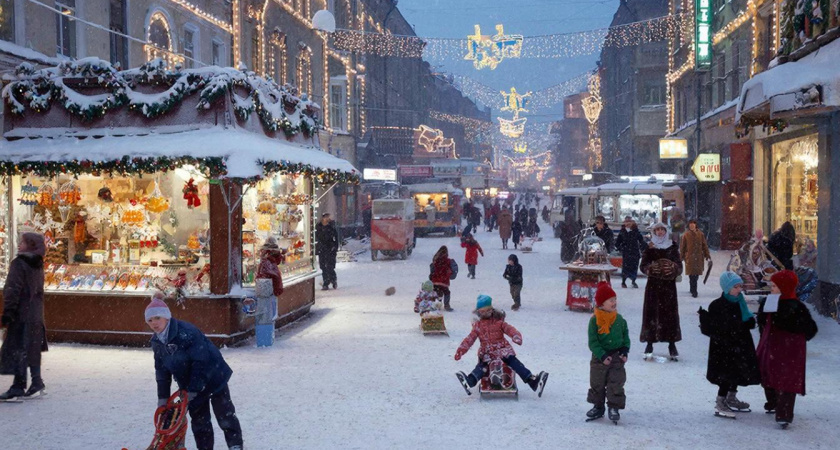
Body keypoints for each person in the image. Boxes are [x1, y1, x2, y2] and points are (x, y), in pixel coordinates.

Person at [146, 295, 243, 450]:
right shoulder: (157, 342)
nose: (154, 323)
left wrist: (193, 389)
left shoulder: (186, 332)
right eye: (150, 320)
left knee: (225, 415)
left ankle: (235, 446)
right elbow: (162, 371)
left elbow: (201, 361)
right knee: (200, 421)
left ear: (166, 317)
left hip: (214, 376)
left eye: (157, 318)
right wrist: (163, 398)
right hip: (189, 384)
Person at [756, 270, 818, 428]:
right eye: (772, 285)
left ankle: (784, 413)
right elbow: (763, 322)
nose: (772, 288)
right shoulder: (769, 302)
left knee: (787, 380)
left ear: (784, 287)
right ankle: (774, 403)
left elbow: (810, 328)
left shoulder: (796, 307)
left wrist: (789, 328)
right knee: (768, 373)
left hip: (790, 350)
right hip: (772, 346)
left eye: (775, 286)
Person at [454, 295, 549, 396]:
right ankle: (470, 381)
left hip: (503, 350)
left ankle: (532, 381)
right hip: (488, 352)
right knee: (482, 367)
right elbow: (470, 339)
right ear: (478, 312)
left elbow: (509, 329)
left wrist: (516, 336)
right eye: (483, 311)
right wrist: (461, 350)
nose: (486, 313)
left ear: (492, 310)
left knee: (515, 363)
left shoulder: (499, 322)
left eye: (488, 310)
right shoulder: (478, 326)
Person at [698, 272, 761, 418]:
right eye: (735, 287)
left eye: (740, 286)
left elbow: (749, 322)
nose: (739, 290)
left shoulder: (740, 302)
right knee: (726, 374)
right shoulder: (717, 305)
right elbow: (719, 327)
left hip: (741, 343)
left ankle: (731, 397)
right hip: (724, 346)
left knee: (739, 371)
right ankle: (720, 401)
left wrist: (749, 322)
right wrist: (736, 326)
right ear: (727, 288)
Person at [0, 232, 48, 401]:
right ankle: (36, 381)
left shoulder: (19, 264)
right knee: (32, 347)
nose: (19, 245)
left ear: (31, 245)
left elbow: (13, 289)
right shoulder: (38, 264)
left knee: (18, 348)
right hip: (35, 313)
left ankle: (18, 386)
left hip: (21, 312)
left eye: (23, 242)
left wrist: (8, 312)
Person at [586, 282, 630, 423]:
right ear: (601, 304)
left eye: (615, 299)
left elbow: (625, 337)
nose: (614, 302)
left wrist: (624, 351)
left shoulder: (620, 320)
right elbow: (593, 342)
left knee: (616, 382)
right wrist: (602, 355)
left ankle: (614, 407)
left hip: (617, 357)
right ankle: (598, 406)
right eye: (611, 300)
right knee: (597, 383)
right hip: (600, 358)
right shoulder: (594, 321)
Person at [640, 222, 682, 361]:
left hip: (668, 287)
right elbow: (643, 265)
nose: (659, 232)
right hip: (653, 287)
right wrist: (650, 268)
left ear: (666, 231)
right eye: (657, 230)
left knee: (669, 315)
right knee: (651, 315)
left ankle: (672, 344)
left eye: (662, 230)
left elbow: (679, 266)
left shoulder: (672, 247)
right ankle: (649, 343)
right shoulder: (650, 247)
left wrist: (673, 268)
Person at [680, 219, 711, 298]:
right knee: (691, 275)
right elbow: (683, 247)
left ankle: (693, 289)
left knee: (696, 275)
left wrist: (707, 255)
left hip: (698, 257)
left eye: (693, 224)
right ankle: (694, 290)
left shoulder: (701, 234)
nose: (692, 226)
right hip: (690, 258)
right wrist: (681, 256)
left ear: (696, 225)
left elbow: (704, 245)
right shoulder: (686, 235)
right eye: (690, 224)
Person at [615, 216, 646, 288]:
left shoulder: (636, 232)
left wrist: (644, 249)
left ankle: (633, 281)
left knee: (634, 267)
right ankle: (623, 281)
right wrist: (621, 248)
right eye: (626, 222)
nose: (628, 224)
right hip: (626, 253)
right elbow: (617, 243)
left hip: (635, 252)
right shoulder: (622, 232)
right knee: (625, 267)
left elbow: (641, 241)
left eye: (629, 222)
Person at [315, 213, 340, 290]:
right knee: (323, 266)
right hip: (322, 249)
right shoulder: (318, 226)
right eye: (325, 217)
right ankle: (326, 281)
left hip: (330, 249)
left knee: (330, 266)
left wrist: (335, 247)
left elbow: (336, 237)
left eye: (328, 217)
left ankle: (333, 280)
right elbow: (316, 237)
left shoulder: (332, 226)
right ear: (322, 218)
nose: (327, 219)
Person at [429, 246, 455, 311]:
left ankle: (435, 304)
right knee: (446, 293)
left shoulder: (435, 261)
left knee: (436, 292)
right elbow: (452, 270)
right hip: (444, 281)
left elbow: (432, 269)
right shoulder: (448, 261)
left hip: (435, 280)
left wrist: (431, 277)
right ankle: (446, 305)